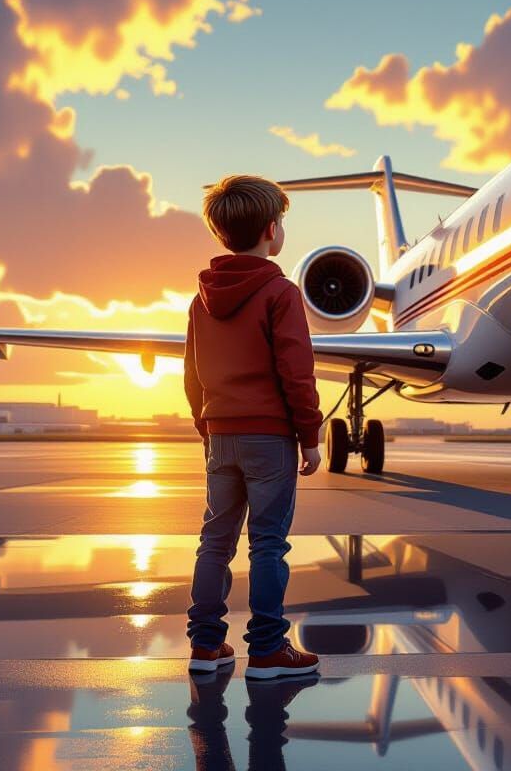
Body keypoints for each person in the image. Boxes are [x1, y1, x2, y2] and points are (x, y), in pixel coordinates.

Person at [185, 174, 322, 678]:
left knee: (214, 542)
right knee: (267, 543)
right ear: (271, 229)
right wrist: (310, 436)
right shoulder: (280, 293)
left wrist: (210, 430)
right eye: (282, 221)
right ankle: (267, 649)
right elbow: (296, 372)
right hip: (269, 439)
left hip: (220, 435)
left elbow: (191, 375)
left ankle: (205, 647)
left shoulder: (200, 300)